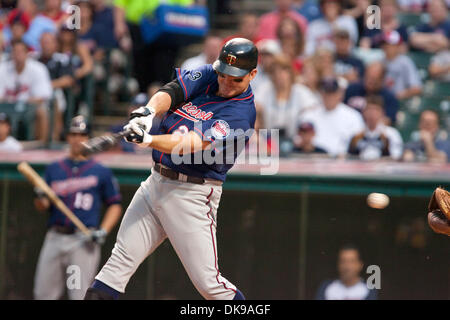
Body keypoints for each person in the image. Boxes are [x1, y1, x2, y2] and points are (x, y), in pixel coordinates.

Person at [84, 38, 257, 300]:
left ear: (252, 74)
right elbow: (174, 90)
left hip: (192, 195)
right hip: (155, 184)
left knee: (211, 286)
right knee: (113, 271)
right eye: (223, 74)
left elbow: (192, 143)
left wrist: (150, 140)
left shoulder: (240, 113)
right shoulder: (212, 74)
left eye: (236, 79)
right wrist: (147, 112)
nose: (226, 82)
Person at [33, 115, 123, 300]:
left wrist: (103, 231)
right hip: (55, 237)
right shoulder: (54, 169)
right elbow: (43, 206)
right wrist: (41, 198)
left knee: (79, 295)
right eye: (73, 134)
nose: (77, 139)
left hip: (82, 240)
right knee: (43, 294)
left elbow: (115, 205)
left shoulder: (101, 171)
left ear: (89, 138)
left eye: (82, 134)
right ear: (67, 137)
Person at [255, 54, 321, 140]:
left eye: (283, 71)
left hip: (294, 141)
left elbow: (314, 109)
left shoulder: (299, 91)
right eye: (275, 72)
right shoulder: (265, 89)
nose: (279, 75)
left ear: (290, 72)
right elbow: (254, 106)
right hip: (268, 140)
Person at [0, 39, 53, 142]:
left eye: (21, 51)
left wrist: (24, 101)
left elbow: (44, 96)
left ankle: (41, 144)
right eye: (15, 51)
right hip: (6, 107)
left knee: (42, 111)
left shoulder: (38, 68)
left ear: (27, 53)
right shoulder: (2, 68)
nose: (17, 55)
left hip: (30, 107)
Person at [302, 77, 365, 157]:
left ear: (340, 94)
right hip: (313, 159)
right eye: (326, 93)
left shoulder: (353, 116)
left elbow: (359, 144)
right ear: (321, 93)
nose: (329, 97)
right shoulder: (308, 115)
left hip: (343, 163)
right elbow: (299, 141)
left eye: (332, 93)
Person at [35, 31, 74, 141]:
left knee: (56, 97)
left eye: (48, 42)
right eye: (43, 42)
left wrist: (45, 87)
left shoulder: (62, 58)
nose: (46, 45)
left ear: (55, 44)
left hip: (54, 93)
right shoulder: (33, 58)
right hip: (34, 95)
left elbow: (68, 80)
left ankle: (54, 138)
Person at [348, 95, 403, 160]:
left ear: (382, 112)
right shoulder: (355, 134)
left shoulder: (391, 134)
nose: (372, 113)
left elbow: (396, 157)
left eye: (376, 110)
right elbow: (349, 157)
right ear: (363, 112)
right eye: (369, 109)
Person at [381, 30, 423, 100]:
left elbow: (417, 88)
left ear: (397, 46)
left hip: (401, 102)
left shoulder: (405, 62)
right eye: (384, 44)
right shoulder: (380, 61)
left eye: (389, 44)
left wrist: (401, 94)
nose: (385, 47)